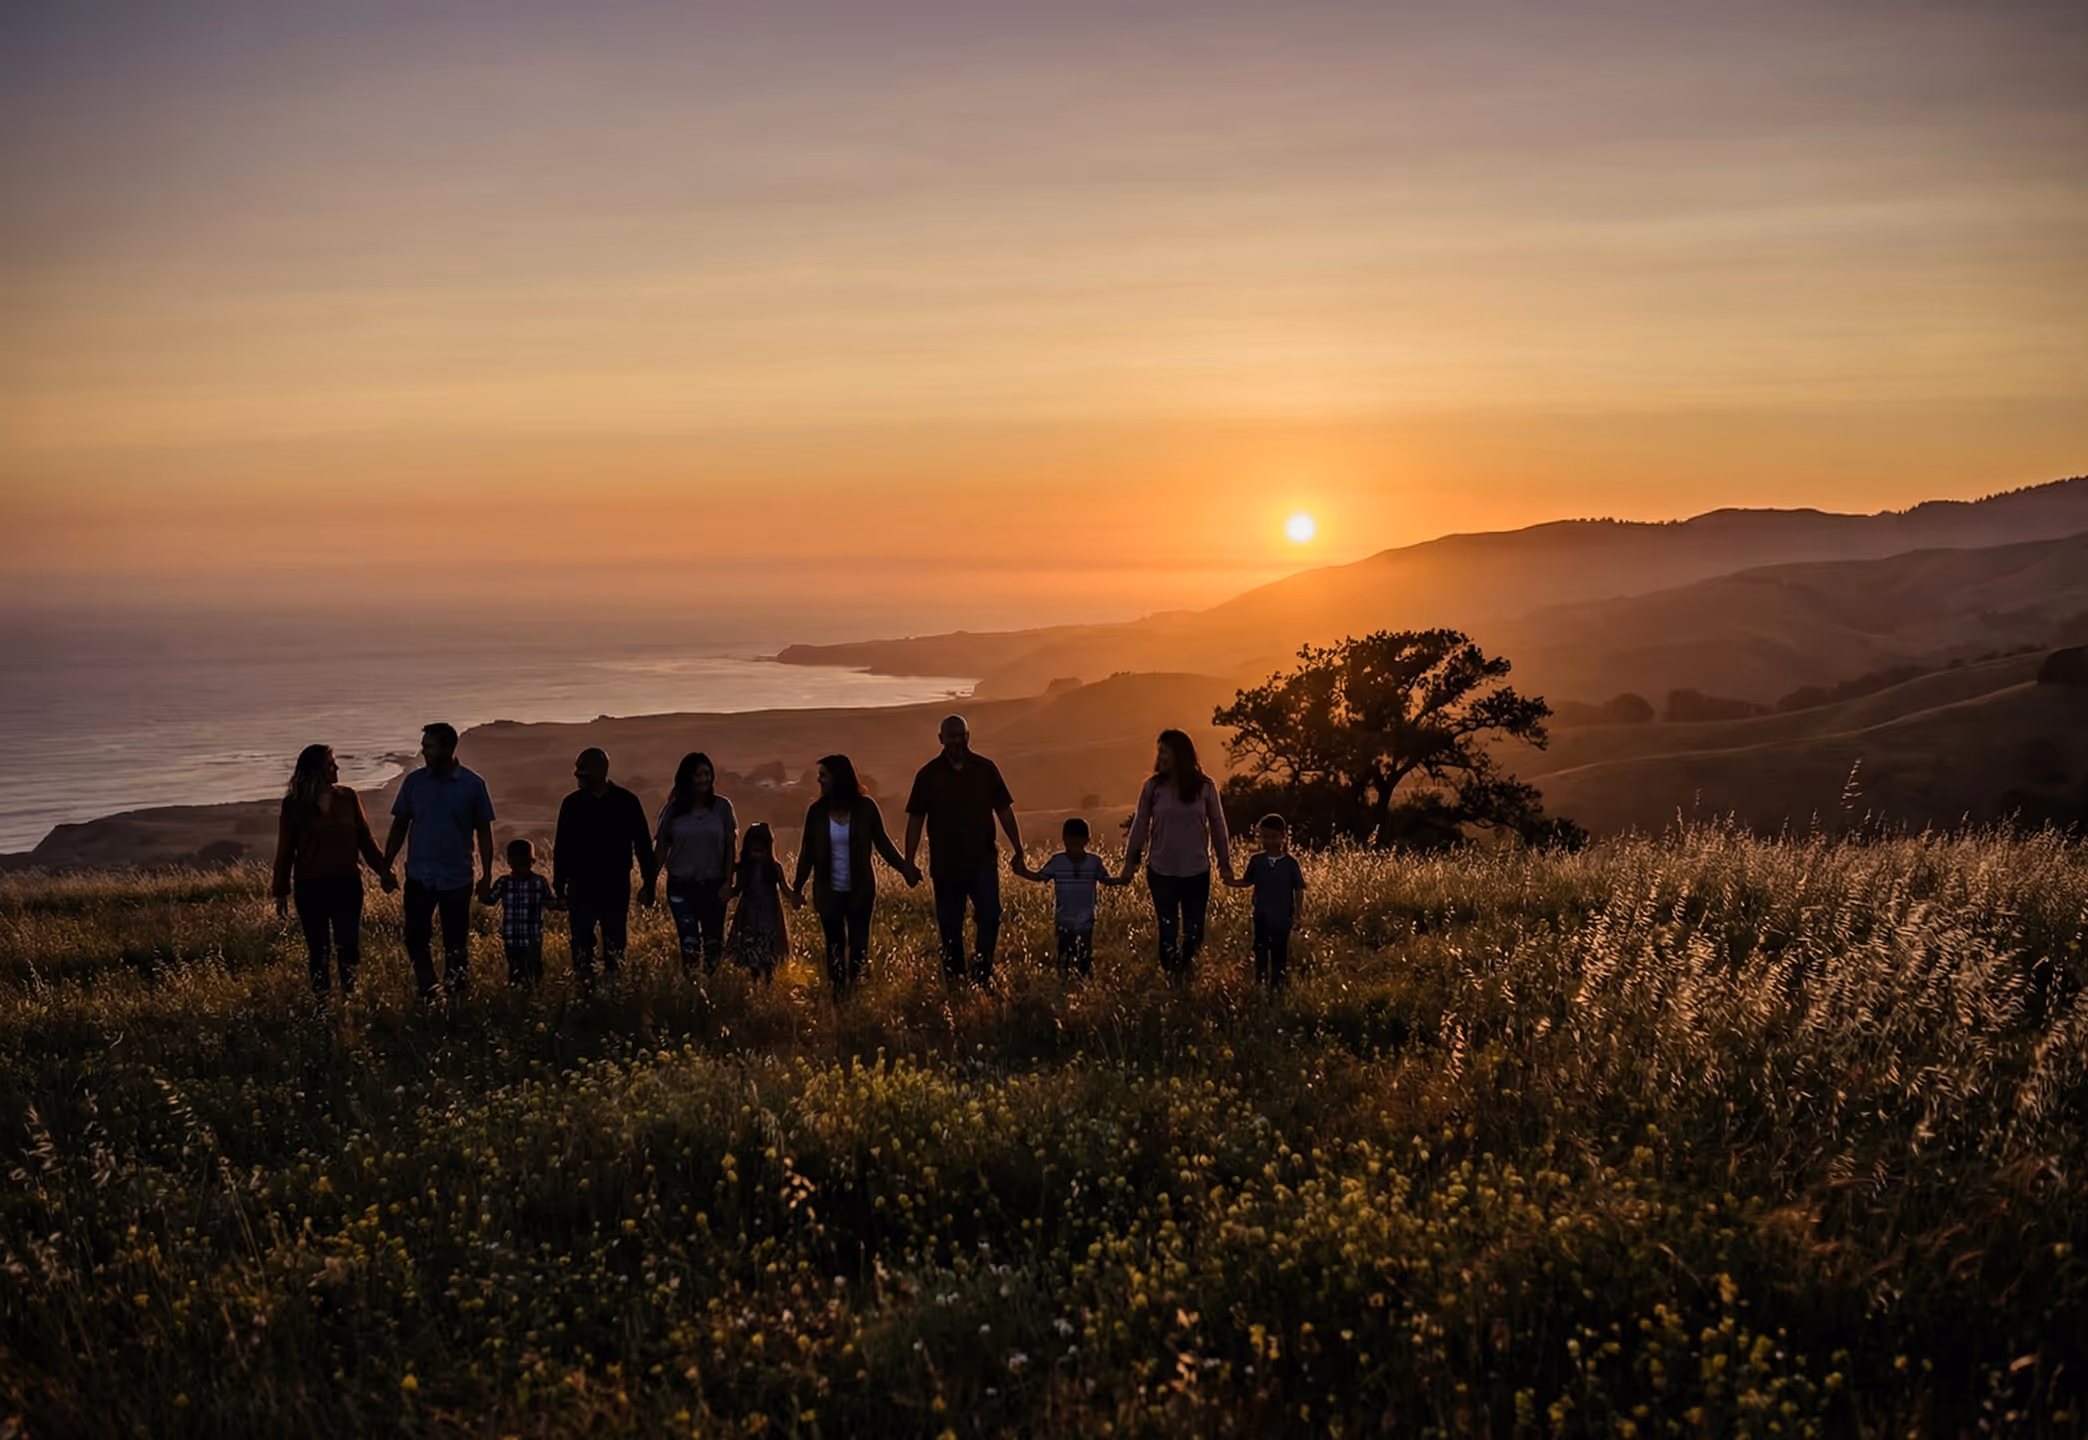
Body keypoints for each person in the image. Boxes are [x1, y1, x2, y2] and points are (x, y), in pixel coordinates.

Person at [904, 715, 1021, 987]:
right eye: (951, 735)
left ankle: (983, 973)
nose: (956, 740)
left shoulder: (986, 769)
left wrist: (1018, 848)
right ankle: (956, 980)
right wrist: (908, 861)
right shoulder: (928, 775)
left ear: (968, 736)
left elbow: (1004, 810)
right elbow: (915, 820)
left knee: (990, 917)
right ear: (940, 739)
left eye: (960, 735)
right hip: (946, 866)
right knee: (949, 926)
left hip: (983, 860)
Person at [270, 744, 395, 999]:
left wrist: (385, 872)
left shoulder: (348, 797)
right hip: (310, 888)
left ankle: (350, 994)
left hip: (346, 884)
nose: (337, 767)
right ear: (315, 771)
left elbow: (366, 841)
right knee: (319, 949)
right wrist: (280, 891)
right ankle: (322, 1002)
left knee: (349, 945)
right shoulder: (293, 805)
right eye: (330, 764)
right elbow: (285, 852)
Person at [383, 723, 496, 1001]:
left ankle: (457, 995)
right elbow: (399, 826)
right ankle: (430, 991)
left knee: (455, 943)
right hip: (419, 876)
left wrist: (487, 875)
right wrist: (385, 866)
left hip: (457, 878)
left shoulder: (473, 784)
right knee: (414, 938)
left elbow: (484, 831)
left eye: (429, 747)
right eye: (423, 746)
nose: (423, 752)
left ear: (448, 748)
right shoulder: (413, 782)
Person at [792, 754, 915, 997]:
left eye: (824, 775)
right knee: (834, 947)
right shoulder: (816, 812)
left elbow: (883, 844)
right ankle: (838, 996)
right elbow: (807, 853)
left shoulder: (866, 808)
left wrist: (905, 869)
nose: (819, 780)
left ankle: (856, 993)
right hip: (828, 892)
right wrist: (797, 888)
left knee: (859, 948)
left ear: (839, 777)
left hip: (860, 891)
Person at [1119, 728, 1235, 981]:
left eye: (1165, 752)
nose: (1159, 757)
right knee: (1168, 929)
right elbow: (1140, 825)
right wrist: (1130, 863)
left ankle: (1186, 969)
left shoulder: (1205, 787)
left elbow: (1218, 826)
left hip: (1196, 870)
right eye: (1159, 752)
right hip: (1161, 871)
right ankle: (1173, 977)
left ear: (1179, 755)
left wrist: (1224, 864)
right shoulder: (1152, 787)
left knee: (1194, 931)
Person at [553, 747, 658, 995]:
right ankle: (585, 993)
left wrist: (649, 883)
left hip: (615, 886)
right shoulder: (571, 804)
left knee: (615, 944)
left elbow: (643, 845)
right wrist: (559, 885)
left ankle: (614, 992)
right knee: (581, 946)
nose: (576, 773)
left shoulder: (627, 801)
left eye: (582, 768)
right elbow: (562, 847)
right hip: (581, 886)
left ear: (600, 771)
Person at [654, 752, 738, 976]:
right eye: (698, 774)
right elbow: (661, 849)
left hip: (714, 884)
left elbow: (731, 847)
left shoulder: (722, 808)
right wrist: (649, 883)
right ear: (687, 778)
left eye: (708, 774)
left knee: (713, 944)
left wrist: (728, 883)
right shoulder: (672, 811)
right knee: (689, 943)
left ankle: (711, 991)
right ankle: (691, 990)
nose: (704, 779)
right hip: (681, 885)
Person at [1012, 815, 1122, 980]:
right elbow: (1040, 877)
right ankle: (1065, 987)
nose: (1075, 845)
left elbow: (1106, 880)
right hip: (1064, 920)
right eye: (1071, 841)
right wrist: (1022, 872)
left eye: (1078, 841)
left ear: (1087, 840)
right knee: (1064, 958)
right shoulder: (1057, 862)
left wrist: (1122, 879)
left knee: (1084, 959)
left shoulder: (1094, 862)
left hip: (1086, 920)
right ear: (1064, 840)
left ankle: (1082, 989)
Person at [1227, 813, 1306, 989]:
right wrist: (1231, 882)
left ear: (1283, 837)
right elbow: (1247, 881)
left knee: (1279, 954)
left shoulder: (1290, 864)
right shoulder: (1256, 860)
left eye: (1274, 837)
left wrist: (1298, 915)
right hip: (1261, 916)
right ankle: (1260, 985)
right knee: (1260, 952)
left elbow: (1299, 889)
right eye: (1265, 837)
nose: (1269, 841)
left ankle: (1278, 987)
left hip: (1282, 918)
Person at [725, 821, 795, 981]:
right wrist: (727, 893)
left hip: (769, 916)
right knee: (752, 957)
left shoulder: (775, 868)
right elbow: (738, 888)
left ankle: (767, 983)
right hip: (749, 916)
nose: (757, 855)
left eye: (761, 851)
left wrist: (794, 898)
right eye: (754, 850)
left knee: (768, 956)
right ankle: (755, 982)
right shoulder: (745, 868)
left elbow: (785, 888)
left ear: (768, 849)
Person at [485, 838, 560, 988]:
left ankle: (525, 997)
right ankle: (523, 998)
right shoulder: (510, 882)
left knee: (531, 973)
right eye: (517, 863)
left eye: (523, 863)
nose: (521, 867)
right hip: (520, 938)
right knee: (519, 972)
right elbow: (490, 900)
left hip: (524, 938)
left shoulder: (509, 882)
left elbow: (489, 900)